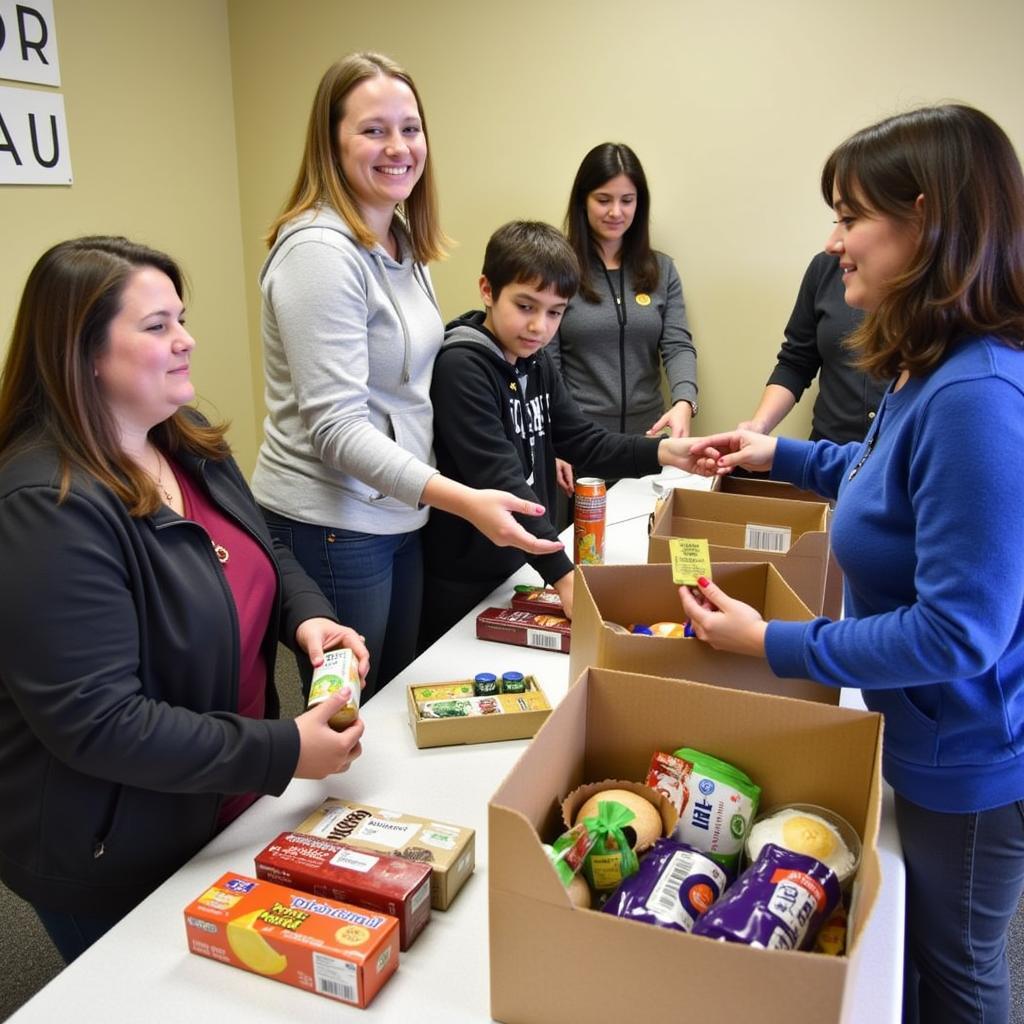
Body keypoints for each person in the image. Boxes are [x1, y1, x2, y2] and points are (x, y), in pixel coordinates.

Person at [679, 105, 1024, 1024]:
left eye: (849, 217)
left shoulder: (978, 395)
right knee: (909, 950)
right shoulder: (928, 365)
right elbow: (881, 480)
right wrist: (777, 455)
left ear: (926, 221)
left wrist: (777, 643)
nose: (834, 243)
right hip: (924, 733)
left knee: (960, 973)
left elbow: (959, 631)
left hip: (975, 760)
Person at [0, 237, 369, 964]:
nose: (186, 340)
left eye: (182, 318)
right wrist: (286, 748)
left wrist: (308, 615)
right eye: (157, 325)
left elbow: (269, 549)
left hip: (225, 799)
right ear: (85, 353)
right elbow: (101, 724)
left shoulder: (189, 445)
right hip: (114, 845)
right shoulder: (46, 504)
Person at [251, 53, 560, 699]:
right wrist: (464, 499)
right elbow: (336, 429)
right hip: (332, 520)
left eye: (410, 128)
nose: (399, 147)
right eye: (373, 130)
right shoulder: (317, 252)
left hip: (397, 513)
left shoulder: (398, 242)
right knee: (350, 709)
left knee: (399, 694)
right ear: (330, 143)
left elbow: (402, 393)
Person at [419, 221, 711, 649]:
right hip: (463, 576)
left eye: (555, 312)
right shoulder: (462, 367)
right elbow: (502, 480)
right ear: (487, 289)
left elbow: (583, 441)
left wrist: (666, 451)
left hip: (518, 564)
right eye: (525, 306)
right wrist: (563, 575)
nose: (539, 326)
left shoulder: (534, 361)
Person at [739, 251, 889, 443]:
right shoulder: (826, 266)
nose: (833, 242)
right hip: (825, 454)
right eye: (838, 224)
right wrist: (759, 425)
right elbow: (796, 361)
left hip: (904, 463)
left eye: (850, 223)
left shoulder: (934, 280)